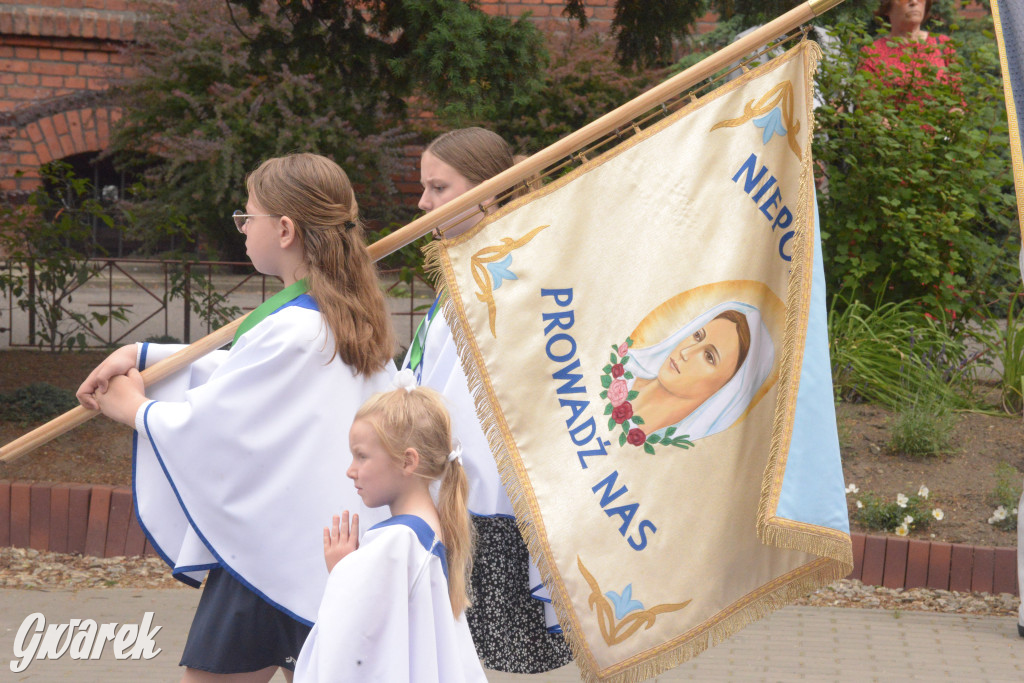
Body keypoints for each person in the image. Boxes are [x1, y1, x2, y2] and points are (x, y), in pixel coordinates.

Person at [76, 153, 396, 682]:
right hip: (330, 545)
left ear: (286, 229)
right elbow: (249, 379)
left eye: (248, 216)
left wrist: (136, 411)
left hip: (267, 549)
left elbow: (220, 424)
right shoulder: (349, 321)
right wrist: (145, 356)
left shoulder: (296, 329)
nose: (243, 228)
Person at [408, 127, 572, 673]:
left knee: (477, 657)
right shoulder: (467, 267)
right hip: (451, 488)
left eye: (438, 187)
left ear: (488, 193)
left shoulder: (506, 276)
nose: (422, 202)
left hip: (481, 498)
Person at [293, 371, 487, 682]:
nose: (350, 470)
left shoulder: (397, 543)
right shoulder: (430, 530)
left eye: (362, 456)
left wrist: (343, 573)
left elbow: (354, 651)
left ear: (408, 461)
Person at [624, 301, 774, 442]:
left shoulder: (684, 451)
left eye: (709, 356)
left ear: (728, 388)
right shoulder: (621, 373)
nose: (686, 352)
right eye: (697, 336)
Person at [860, 0, 958, 99]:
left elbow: (958, 100)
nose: (914, 2)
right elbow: (868, 108)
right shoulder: (871, 53)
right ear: (886, 6)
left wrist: (956, 110)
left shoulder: (943, 45)